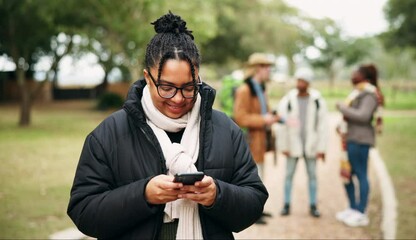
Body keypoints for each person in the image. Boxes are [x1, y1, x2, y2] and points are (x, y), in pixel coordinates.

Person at [67, 11, 268, 239]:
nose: (178, 98)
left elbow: (254, 201)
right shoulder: (109, 134)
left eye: (189, 87)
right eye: (166, 87)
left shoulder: (226, 130)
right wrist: (143, 195)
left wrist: (217, 195)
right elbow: (83, 211)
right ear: (147, 78)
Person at [232, 52, 280, 224]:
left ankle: (258, 209)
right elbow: (239, 116)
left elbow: (264, 111)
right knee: (252, 178)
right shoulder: (245, 90)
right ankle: (252, 213)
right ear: (258, 68)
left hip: (261, 141)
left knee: (261, 176)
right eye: (267, 67)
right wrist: (263, 120)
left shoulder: (261, 88)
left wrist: (273, 116)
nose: (269, 71)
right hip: (250, 141)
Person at [274, 68, 329, 218]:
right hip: (292, 145)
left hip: (311, 145)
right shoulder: (288, 100)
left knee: (312, 176)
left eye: (302, 81)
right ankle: (286, 204)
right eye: (298, 80)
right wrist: (283, 146)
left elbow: (323, 126)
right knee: (288, 176)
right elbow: (281, 125)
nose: (299, 83)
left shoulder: (318, 100)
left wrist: (322, 148)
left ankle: (313, 205)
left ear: (308, 83)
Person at [335, 64, 381, 227]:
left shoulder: (370, 94)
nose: (353, 75)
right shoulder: (359, 92)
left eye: (357, 73)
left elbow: (363, 116)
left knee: (361, 174)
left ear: (365, 77)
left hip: (361, 139)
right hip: (351, 139)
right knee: (347, 174)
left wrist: (342, 108)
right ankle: (352, 208)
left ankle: (361, 212)